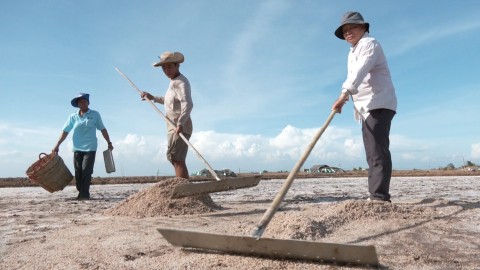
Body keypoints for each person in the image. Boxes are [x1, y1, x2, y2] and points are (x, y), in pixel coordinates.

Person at [331, 11, 397, 202]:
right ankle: (375, 195)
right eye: (344, 31)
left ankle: (379, 197)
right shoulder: (352, 52)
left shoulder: (370, 44)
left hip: (378, 103)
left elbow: (360, 71)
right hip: (366, 107)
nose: (347, 33)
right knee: (372, 152)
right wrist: (347, 95)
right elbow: (353, 77)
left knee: (378, 150)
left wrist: (344, 94)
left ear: (363, 27)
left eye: (352, 28)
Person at [141, 51, 193, 179]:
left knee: (176, 158)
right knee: (174, 158)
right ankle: (183, 187)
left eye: (169, 66)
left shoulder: (181, 82)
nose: (166, 70)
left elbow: (188, 104)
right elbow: (168, 100)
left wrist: (180, 123)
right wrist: (153, 97)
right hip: (172, 126)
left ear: (177, 65)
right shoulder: (173, 82)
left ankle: (184, 189)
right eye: (164, 67)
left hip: (180, 126)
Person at [52, 93, 114, 200]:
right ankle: (81, 191)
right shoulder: (73, 116)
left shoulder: (95, 115)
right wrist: (57, 145)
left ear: (88, 102)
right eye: (80, 101)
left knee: (87, 170)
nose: (82, 102)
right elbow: (65, 131)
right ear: (77, 104)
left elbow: (102, 129)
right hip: (77, 148)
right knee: (78, 171)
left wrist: (109, 142)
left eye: (84, 100)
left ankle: (85, 194)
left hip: (90, 147)